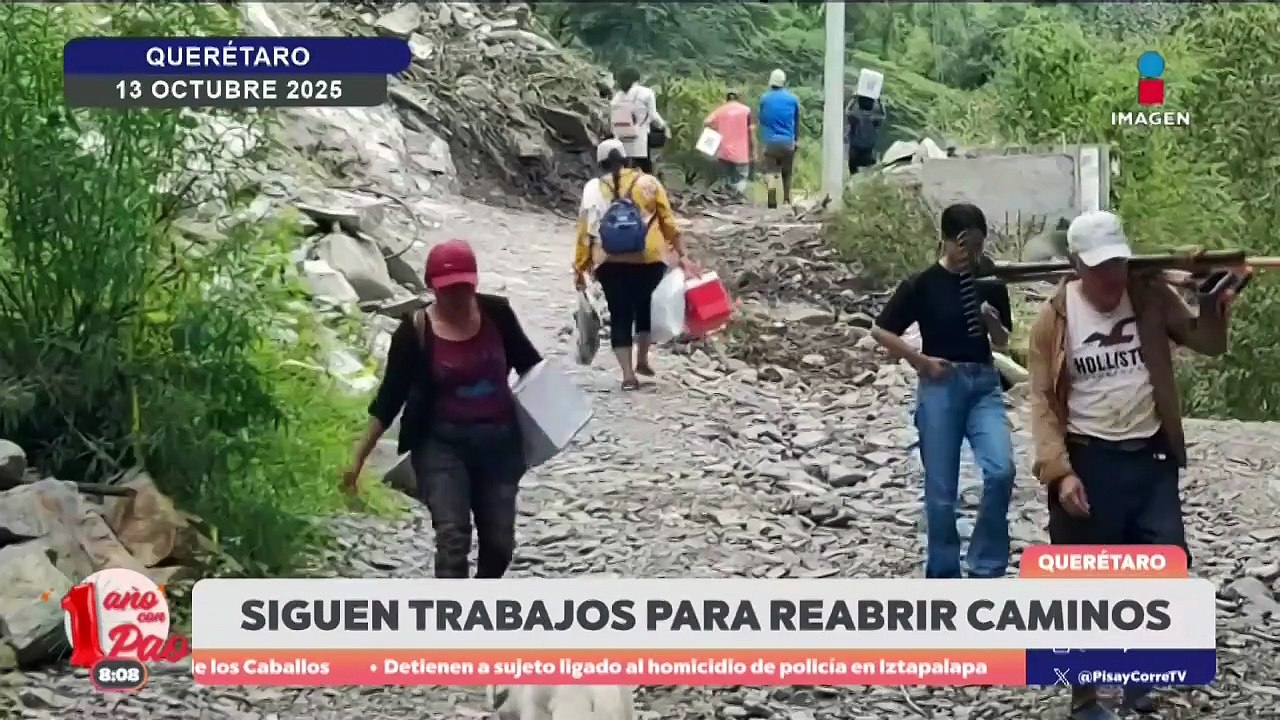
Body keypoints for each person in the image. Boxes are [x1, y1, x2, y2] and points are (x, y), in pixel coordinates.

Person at [1027, 211, 1250, 720]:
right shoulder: (1054, 321)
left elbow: (1208, 342)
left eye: (1119, 265)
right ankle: (1083, 694)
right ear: (1076, 265)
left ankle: (1140, 676)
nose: (1112, 278)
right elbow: (1041, 402)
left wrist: (1213, 298)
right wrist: (1059, 472)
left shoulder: (1149, 296)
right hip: (1090, 458)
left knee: (1165, 563)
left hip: (1150, 458)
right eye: (1101, 268)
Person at [342, 239, 541, 579]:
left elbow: (531, 367)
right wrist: (358, 459)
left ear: (475, 283)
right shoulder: (414, 331)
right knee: (452, 536)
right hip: (441, 447)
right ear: (432, 287)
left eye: (465, 287)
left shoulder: (497, 314)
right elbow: (390, 399)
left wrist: (553, 419)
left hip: (499, 446)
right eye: (449, 289)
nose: (458, 296)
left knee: (499, 544)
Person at [870, 203, 1016, 580]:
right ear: (948, 241)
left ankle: (987, 565)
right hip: (940, 383)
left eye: (979, 247)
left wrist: (992, 323)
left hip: (983, 383)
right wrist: (919, 361)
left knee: (1001, 470)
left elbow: (1001, 344)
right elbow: (881, 330)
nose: (973, 255)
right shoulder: (923, 284)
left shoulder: (990, 281)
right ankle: (944, 572)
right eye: (965, 246)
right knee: (941, 489)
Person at [574, 139, 695, 390]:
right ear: (628, 160)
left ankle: (628, 376)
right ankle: (642, 359)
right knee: (644, 308)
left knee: (619, 314)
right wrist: (682, 253)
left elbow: (585, 230)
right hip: (648, 260)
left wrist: (580, 266)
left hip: (608, 261)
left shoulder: (592, 188)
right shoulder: (648, 183)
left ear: (600, 164)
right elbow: (668, 222)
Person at [609, 68, 666, 175]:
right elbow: (653, 116)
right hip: (640, 140)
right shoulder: (646, 92)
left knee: (625, 173)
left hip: (621, 138)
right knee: (643, 173)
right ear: (637, 78)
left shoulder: (617, 97)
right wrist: (663, 126)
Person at [757, 69, 800, 206]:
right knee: (786, 173)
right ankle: (787, 199)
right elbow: (796, 121)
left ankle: (771, 198)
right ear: (784, 82)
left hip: (770, 142)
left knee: (770, 171)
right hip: (788, 142)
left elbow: (762, 119)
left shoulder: (764, 99)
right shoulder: (793, 99)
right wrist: (796, 140)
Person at [704, 90, 753, 197]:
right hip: (741, 153)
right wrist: (753, 149)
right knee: (741, 177)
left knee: (724, 178)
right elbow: (750, 131)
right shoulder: (746, 110)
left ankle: (725, 199)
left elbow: (706, 122)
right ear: (738, 99)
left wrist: (716, 128)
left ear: (727, 100)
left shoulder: (720, 110)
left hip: (724, 151)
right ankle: (738, 198)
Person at [846, 95, 885, 174]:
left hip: (855, 151)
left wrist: (854, 99)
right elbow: (883, 116)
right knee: (869, 174)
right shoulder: (874, 120)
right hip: (868, 152)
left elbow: (847, 111)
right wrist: (880, 102)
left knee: (853, 173)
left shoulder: (855, 118)